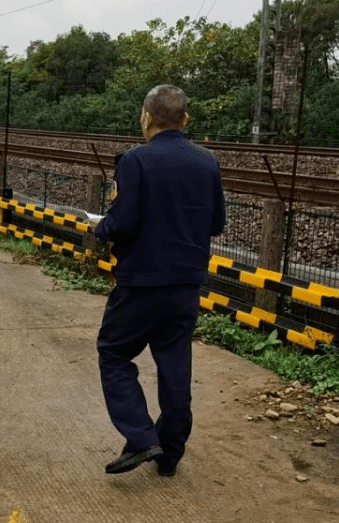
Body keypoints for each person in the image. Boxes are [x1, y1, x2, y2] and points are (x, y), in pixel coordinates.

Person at [92, 84, 226, 476]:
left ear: (146, 117)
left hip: (141, 281)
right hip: (187, 283)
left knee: (113, 352)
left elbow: (124, 222)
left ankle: (141, 437)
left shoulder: (136, 161)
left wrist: (101, 228)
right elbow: (216, 223)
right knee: (174, 363)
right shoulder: (207, 162)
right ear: (185, 119)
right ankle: (169, 453)